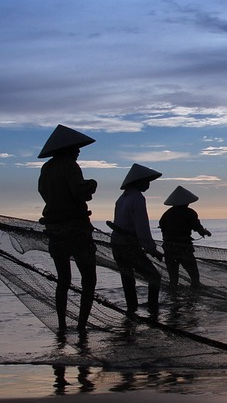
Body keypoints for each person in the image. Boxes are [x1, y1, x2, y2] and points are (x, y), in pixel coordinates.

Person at [37, 124, 99, 334]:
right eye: (76, 147)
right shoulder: (70, 166)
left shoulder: (47, 168)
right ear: (68, 148)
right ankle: (81, 325)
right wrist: (92, 184)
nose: (78, 151)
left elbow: (44, 193)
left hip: (55, 230)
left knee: (63, 279)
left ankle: (62, 325)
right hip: (76, 229)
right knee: (89, 279)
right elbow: (79, 191)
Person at [108, 163, 164, 316]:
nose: (148, 184)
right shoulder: (137, 198)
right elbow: (142, 228)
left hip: (117, 244)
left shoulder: (122, 198)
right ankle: (153, 310)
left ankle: (131, 310)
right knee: (154, 277)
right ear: (138, 181)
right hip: (128, 245)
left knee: (127, 279)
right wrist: (152, 250)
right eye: (146, 181)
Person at [158, 185, 211, 288]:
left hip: (169, 248)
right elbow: (198, 228)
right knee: (194, 275)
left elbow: (163, 228)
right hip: (184, 248)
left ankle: (174, 299)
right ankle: (194, 296)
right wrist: (205, 232)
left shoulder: (166, 214)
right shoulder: (189, 213)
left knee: (173, 278)